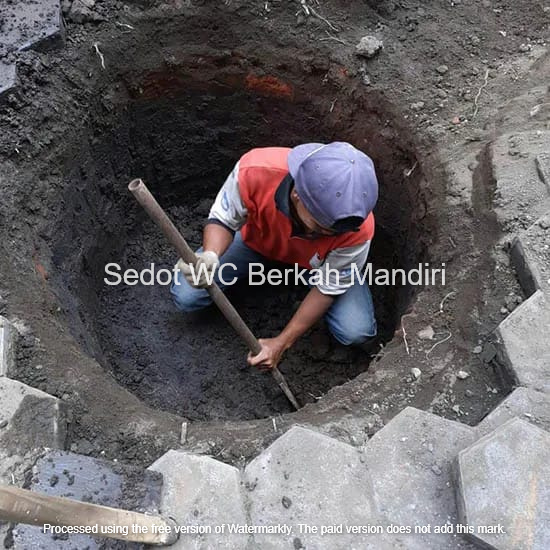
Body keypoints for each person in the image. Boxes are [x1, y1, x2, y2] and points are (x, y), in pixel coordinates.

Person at [171, 142, 379, 370]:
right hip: (257, 243)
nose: (328, 235)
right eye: (320, 228)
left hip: (320, 265)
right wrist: (211, 254)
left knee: (355, 330)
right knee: (187, 293)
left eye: (335, 232)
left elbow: (327, 288)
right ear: (298, 195)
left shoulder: (357, 229)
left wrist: (281, 343)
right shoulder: (255, 170)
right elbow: (223, 219)